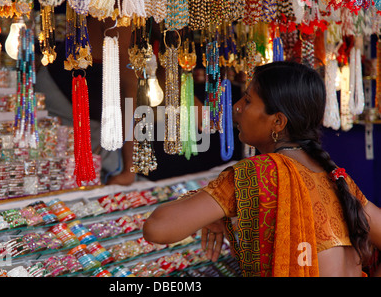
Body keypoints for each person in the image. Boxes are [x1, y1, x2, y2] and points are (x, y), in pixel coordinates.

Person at [143, 61, 381, 277]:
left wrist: (201, 203)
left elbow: (157, 228)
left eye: (247, 100)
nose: (236, 107)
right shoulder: (338, 179)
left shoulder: (259, 174)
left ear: (278, 122)